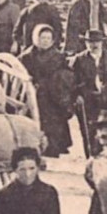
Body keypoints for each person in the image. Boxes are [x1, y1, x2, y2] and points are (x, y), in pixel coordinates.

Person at [19, 25, 74, 158]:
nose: (45, 41)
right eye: (42, 38)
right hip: (33, 95)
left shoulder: (58, 57)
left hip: (52, 97)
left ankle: (52, 149)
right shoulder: (27, 56)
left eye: (48, 38)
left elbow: (68, 75)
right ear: (36, 38)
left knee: (53, 124)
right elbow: (19, 72)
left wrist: (57, 83)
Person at [71, 30, 107, 156]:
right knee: (89, 132)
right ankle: (92, 159)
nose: (93, 45)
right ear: (85, 44)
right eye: (90, 42)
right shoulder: (79, 60)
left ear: (102, 43)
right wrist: (77, 96)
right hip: (88, 101)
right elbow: (72, 82)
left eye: (96, 42)